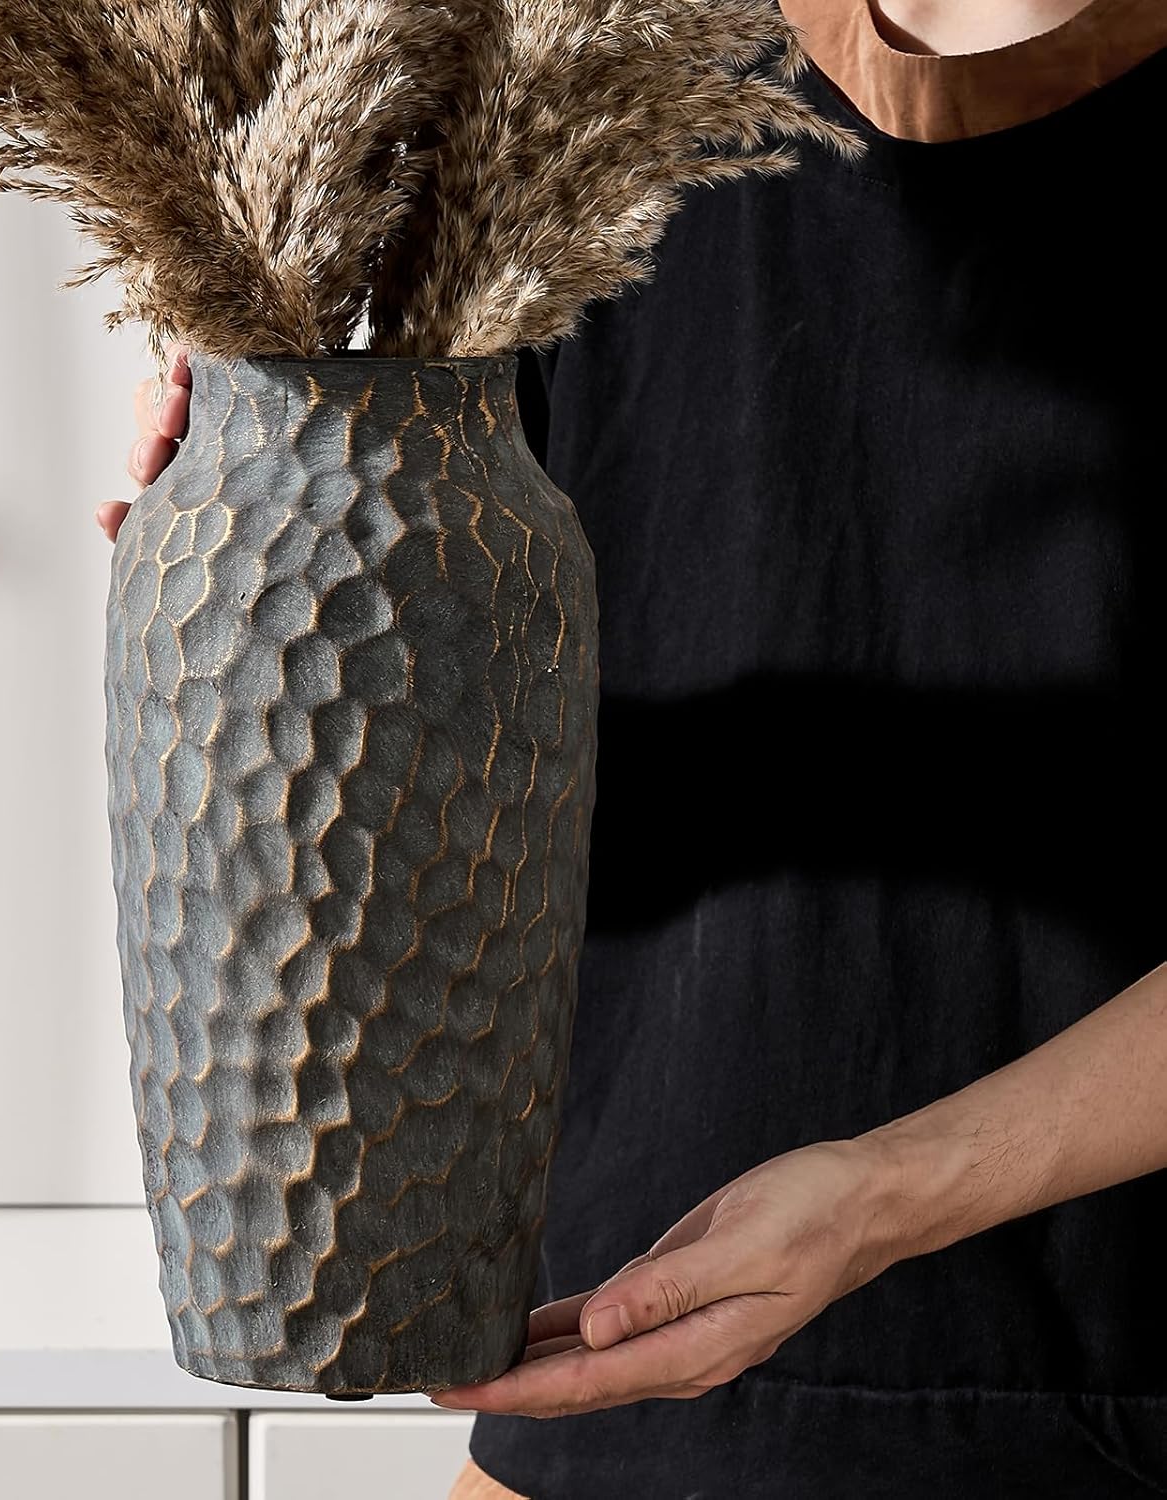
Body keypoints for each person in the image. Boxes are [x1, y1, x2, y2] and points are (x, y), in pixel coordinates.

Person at [98, 1, 1167, 1493]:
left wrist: (883, 1194)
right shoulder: (565, 64)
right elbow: (501, 788)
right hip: (615, 1362)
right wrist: (277, 541)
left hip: (1109, 1402)